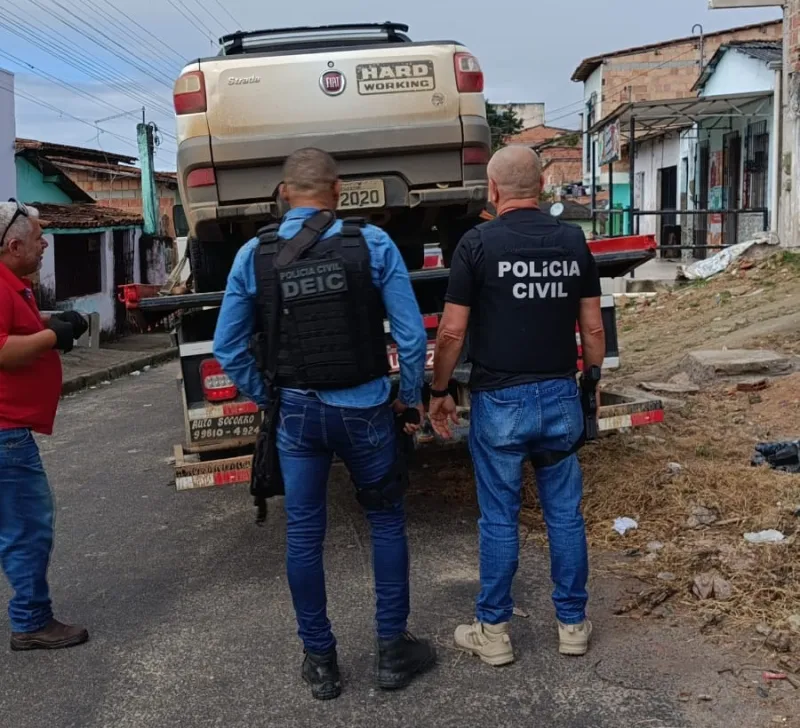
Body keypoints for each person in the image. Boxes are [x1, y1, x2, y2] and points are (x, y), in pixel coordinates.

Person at [213, 148, 436, 700]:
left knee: (306, 536)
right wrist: (408, 399)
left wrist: (268, 395)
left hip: (297, 416)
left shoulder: (254, 255)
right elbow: (410, 338)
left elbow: (226, 346)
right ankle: (391, 653)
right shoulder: (372, 244)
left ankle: (321, 662)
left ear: (285, 192)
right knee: (385, 522)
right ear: (338, 191)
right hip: (365, 410)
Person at [428, 146, 605, 665]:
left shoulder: (477, 244)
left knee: (500, 518)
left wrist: (439, 393)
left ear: (493, 188)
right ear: (543, 188)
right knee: (565, 515)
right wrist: (591, 380)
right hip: (558, 396)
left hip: (500, 401)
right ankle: (572, 625)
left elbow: (453, 331)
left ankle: (494, 631)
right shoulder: (573, 240)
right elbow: (592, 326)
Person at [0, 199, 89, 651]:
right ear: (13, 245)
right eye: (37, 240)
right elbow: (1, 350)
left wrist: (55, 325)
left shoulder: (15, 284)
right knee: (27, 529)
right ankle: (31, 620)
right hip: (4, 431)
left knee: (17, 527)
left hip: (11, 428)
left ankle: (31, 614)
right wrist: (53, 336)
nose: (45, 245)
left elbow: (23, 332)